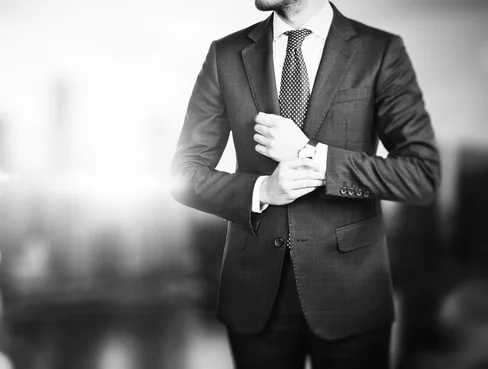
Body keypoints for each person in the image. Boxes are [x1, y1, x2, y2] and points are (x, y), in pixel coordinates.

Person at [170, 0, 441, 368]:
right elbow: (183, 174)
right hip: (253, 294)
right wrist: (262, 190)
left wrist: (310, 153)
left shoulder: (379, 50)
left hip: (353, 295)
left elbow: (420, 175)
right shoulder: (227, 54)